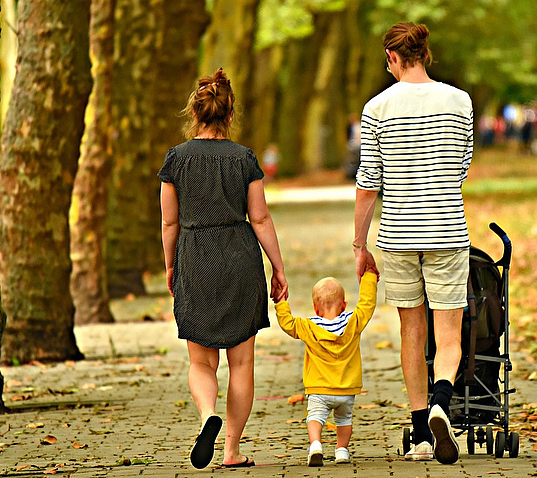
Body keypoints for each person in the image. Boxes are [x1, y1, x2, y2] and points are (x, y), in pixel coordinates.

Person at [353, 22, 473, 465]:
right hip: (446, 230)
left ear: (393, 59)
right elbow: (461, 166)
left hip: (398, 236)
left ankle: (421, 432)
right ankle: (444, 398)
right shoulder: (459, 101)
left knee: (411, 330)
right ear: (426, 54)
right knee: (448, 331)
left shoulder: (377, 108)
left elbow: (369, 183)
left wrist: (358, 242)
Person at [158, 68, 289, 469]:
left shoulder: (176, 160)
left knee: (201, 362)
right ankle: (231, 450)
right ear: (229, 115)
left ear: (194, 113)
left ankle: (206, 416)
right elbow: (261, 219)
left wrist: (171, 266)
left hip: (195, 256)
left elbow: (169, 222)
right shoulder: (244, 158)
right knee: (242, 364)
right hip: (239, 256)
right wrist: (278, 269)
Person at [274, 271, 378, 467]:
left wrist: (281, 301)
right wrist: (369, 278)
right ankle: (342, 451)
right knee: (344, 420)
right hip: (346, 390)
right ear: (344, 305)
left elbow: (287, 324)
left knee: (315, 418)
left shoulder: (308, 327)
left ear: (315, 308)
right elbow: (367, 305)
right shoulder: (353, 323)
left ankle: (315, 445)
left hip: (318, 389)